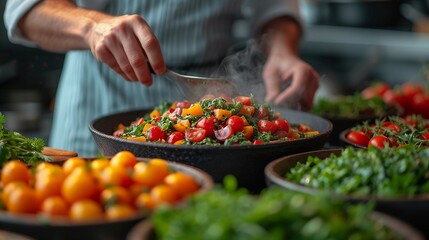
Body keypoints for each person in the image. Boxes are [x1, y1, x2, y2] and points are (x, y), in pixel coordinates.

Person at [4, 0, 319, 156]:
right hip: (99, 99)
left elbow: (275, 9)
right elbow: (25, 10)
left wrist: (282, 49)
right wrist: (92, 27)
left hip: (211, 110)